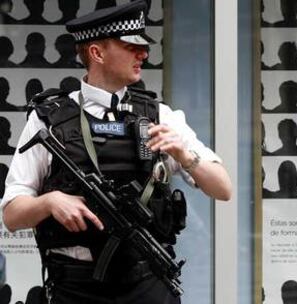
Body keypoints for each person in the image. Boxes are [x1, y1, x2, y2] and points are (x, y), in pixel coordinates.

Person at [1, 2, 232, 304]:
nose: (143, 55)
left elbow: (223, 188)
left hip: (148, 284)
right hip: (76, 288)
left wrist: (184, 153)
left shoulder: (160, 116)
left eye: (142, 47)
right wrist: (49, 202)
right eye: (130, 47)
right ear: (97, 53)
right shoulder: (49, 119)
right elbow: (12, 215)